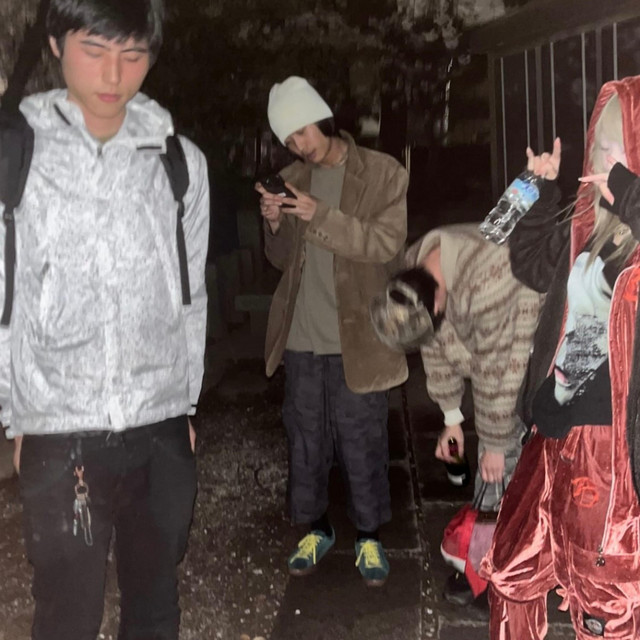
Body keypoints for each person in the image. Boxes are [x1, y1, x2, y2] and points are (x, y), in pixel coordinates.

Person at [0, 1, 210, 638]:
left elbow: (190, 293)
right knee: (66, 615)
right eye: (94, 50)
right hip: (60, 426)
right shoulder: (16, 156)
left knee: (155, 607)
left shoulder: (179, 162)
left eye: (133, 54)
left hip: (159, 426)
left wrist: (184, 405)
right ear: (57, 44)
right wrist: (16, 413)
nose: (114, 75)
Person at [483, 76, 640, 640]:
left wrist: (625, 188)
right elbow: (519, 255)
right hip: (551, 429)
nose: (603, 163)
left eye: (620, 150)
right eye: (599, 147)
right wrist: (534, 186)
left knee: (602, 604)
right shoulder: (587, 227)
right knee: (510, 569)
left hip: (608, 453)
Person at [254, 76, 408, 587]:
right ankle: (316, 528)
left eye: (302, 131)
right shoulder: (291, 176)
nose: (300, 145)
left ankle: (369, 535)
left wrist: (320, 214)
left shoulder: (383, 173)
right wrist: (275, 224)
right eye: (289, 139)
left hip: (358, 337)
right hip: (302, 334)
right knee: (305, 440)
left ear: (322, 117)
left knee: (362, 439)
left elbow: (385, 244)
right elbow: (282, 260)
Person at [370, 224, 542, 604]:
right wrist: (451, 418)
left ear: (435, 304)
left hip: (530, 353)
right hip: (495, 353)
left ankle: (495, 579)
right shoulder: (417, 269)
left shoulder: (488, 276)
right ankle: (488, 562)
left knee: (502, 467)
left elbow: (499, 369)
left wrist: (495, 442)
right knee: (496, 467)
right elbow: (434, 344)